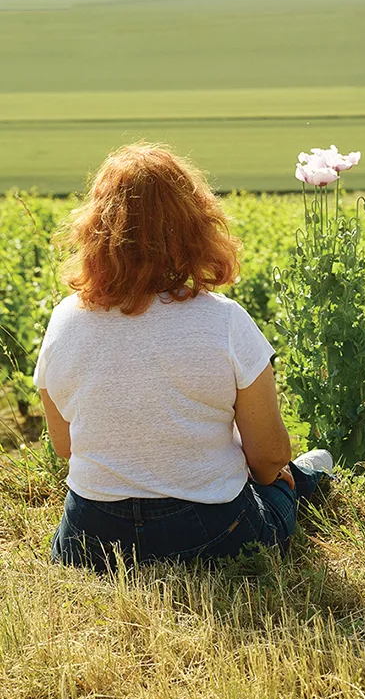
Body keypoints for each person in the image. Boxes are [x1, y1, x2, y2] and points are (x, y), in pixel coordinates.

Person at [35, 143, 333, 572]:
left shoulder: (64, 322)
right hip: (208, 533)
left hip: (91, 540)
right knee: (284, 484)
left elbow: (65, 446)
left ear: (95, 228)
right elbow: (267, 456)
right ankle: (310, 477)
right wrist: (269, 477)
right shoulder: (225, 321)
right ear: (196, 225)